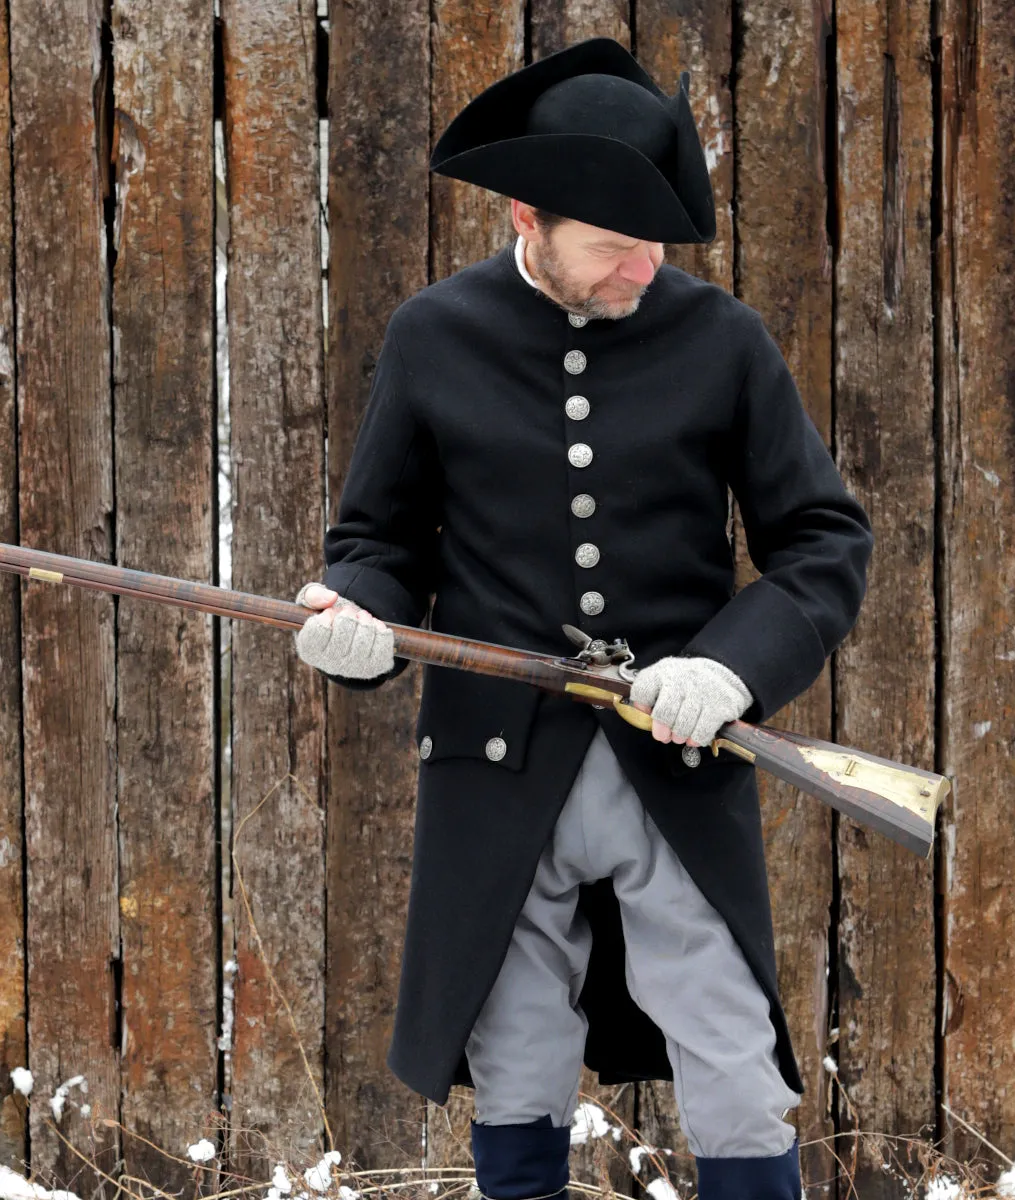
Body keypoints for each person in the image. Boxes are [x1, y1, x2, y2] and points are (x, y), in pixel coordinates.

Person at [293, 36, 873, 1200]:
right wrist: (353, 623)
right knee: (515, 1065)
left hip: (680, 758)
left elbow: (821, 541)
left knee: (732, 1057)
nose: (642, 269)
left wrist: (730, 671)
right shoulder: (432, 336)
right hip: (497, 770)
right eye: (613, 246)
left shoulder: (724, 341)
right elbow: (378, 547)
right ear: (527, 218)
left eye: (654, 242)